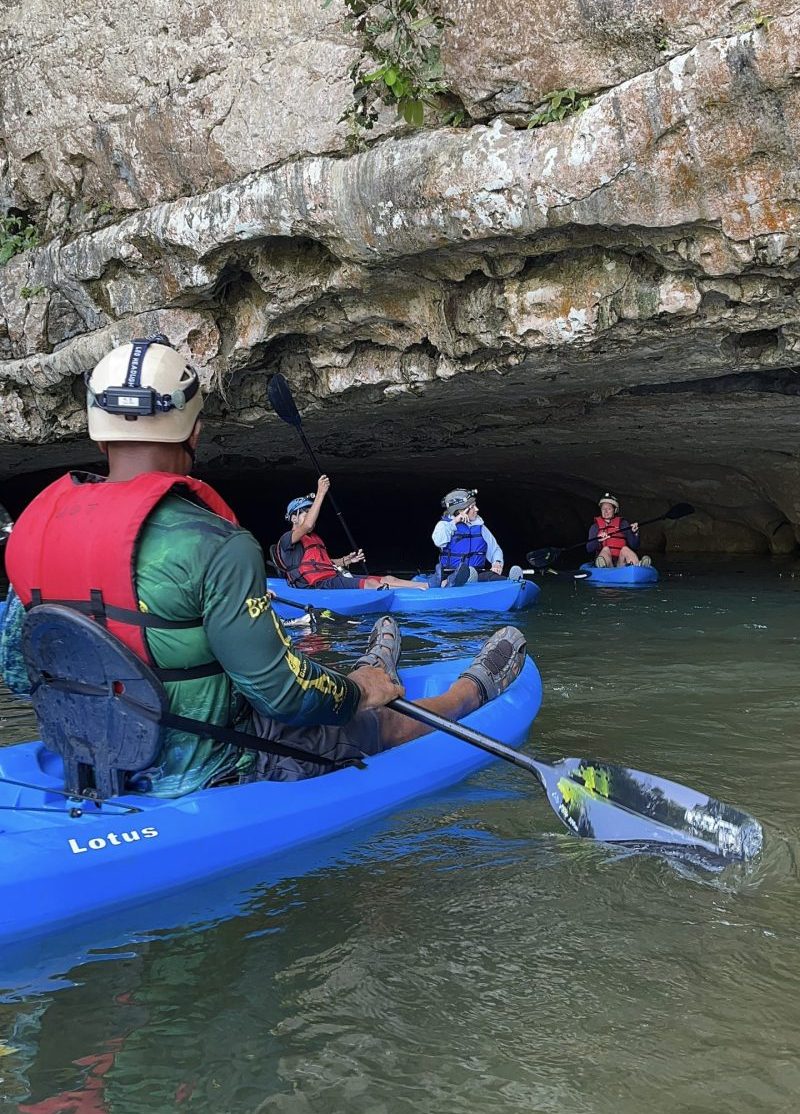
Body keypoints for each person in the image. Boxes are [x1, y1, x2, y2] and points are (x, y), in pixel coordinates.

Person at [0, 335, 527, 794]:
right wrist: (357, 695)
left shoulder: (32, 532)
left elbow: (20, 674)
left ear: (98, 433)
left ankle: (377, 665)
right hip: (217, 761)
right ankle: (466, 693)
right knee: (375, 722)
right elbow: (282, 695)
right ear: (194, 432)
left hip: (91, 751)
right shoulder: (216, 544)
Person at [277, 475, 428, 591]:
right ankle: (413, 592)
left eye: (312, 512)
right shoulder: (287, 539)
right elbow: (308, 524)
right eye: (307, 513)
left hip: (332, 576)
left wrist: (347, 560)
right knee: (370, 584)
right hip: (318, 584)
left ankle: (427, 587)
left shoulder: (315, 538)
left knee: (388, 578)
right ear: (294, 518)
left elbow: (323, 563)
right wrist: (321, 493)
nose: (312, 516)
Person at [432, 488, 522, 587]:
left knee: (490, 576)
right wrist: (455, 521)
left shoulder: (480, 527)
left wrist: (497, 562)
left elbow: (495, 549)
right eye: (472, 507)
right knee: (454, 578)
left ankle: (512, 582)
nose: (477, 509)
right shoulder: (445, 525)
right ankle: (466, 579)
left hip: (477, 572)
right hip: (451, 573)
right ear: (460, 510)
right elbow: (439, 541)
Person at [586, 493, 652, 568]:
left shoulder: (623, 524)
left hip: (620, 563)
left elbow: (635, 545)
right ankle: (602, 567)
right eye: (603, 509)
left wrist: (635, 533)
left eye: (609, 509)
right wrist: (597, 540)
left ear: (615, 510)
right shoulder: (595, 527)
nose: (605, 511)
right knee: (605, 549)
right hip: (606, 563)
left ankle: (638, 565)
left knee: (625, 549)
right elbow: (589, 549)